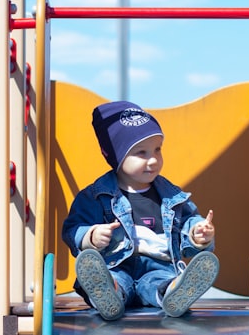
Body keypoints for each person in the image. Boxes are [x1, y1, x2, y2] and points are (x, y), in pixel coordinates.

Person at [61, 100, 218, 320]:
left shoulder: (172, 195)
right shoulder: (96, 196)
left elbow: (189, 224)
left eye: (157, 150)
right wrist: (92, 237)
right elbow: (72, 229)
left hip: (158, 266)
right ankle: (108, 294)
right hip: (116, 265)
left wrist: (198, 234)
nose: (153, 159)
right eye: (141, 153)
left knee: (159, 283)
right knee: (112, 279)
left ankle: (175, 293)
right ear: (116, 156)